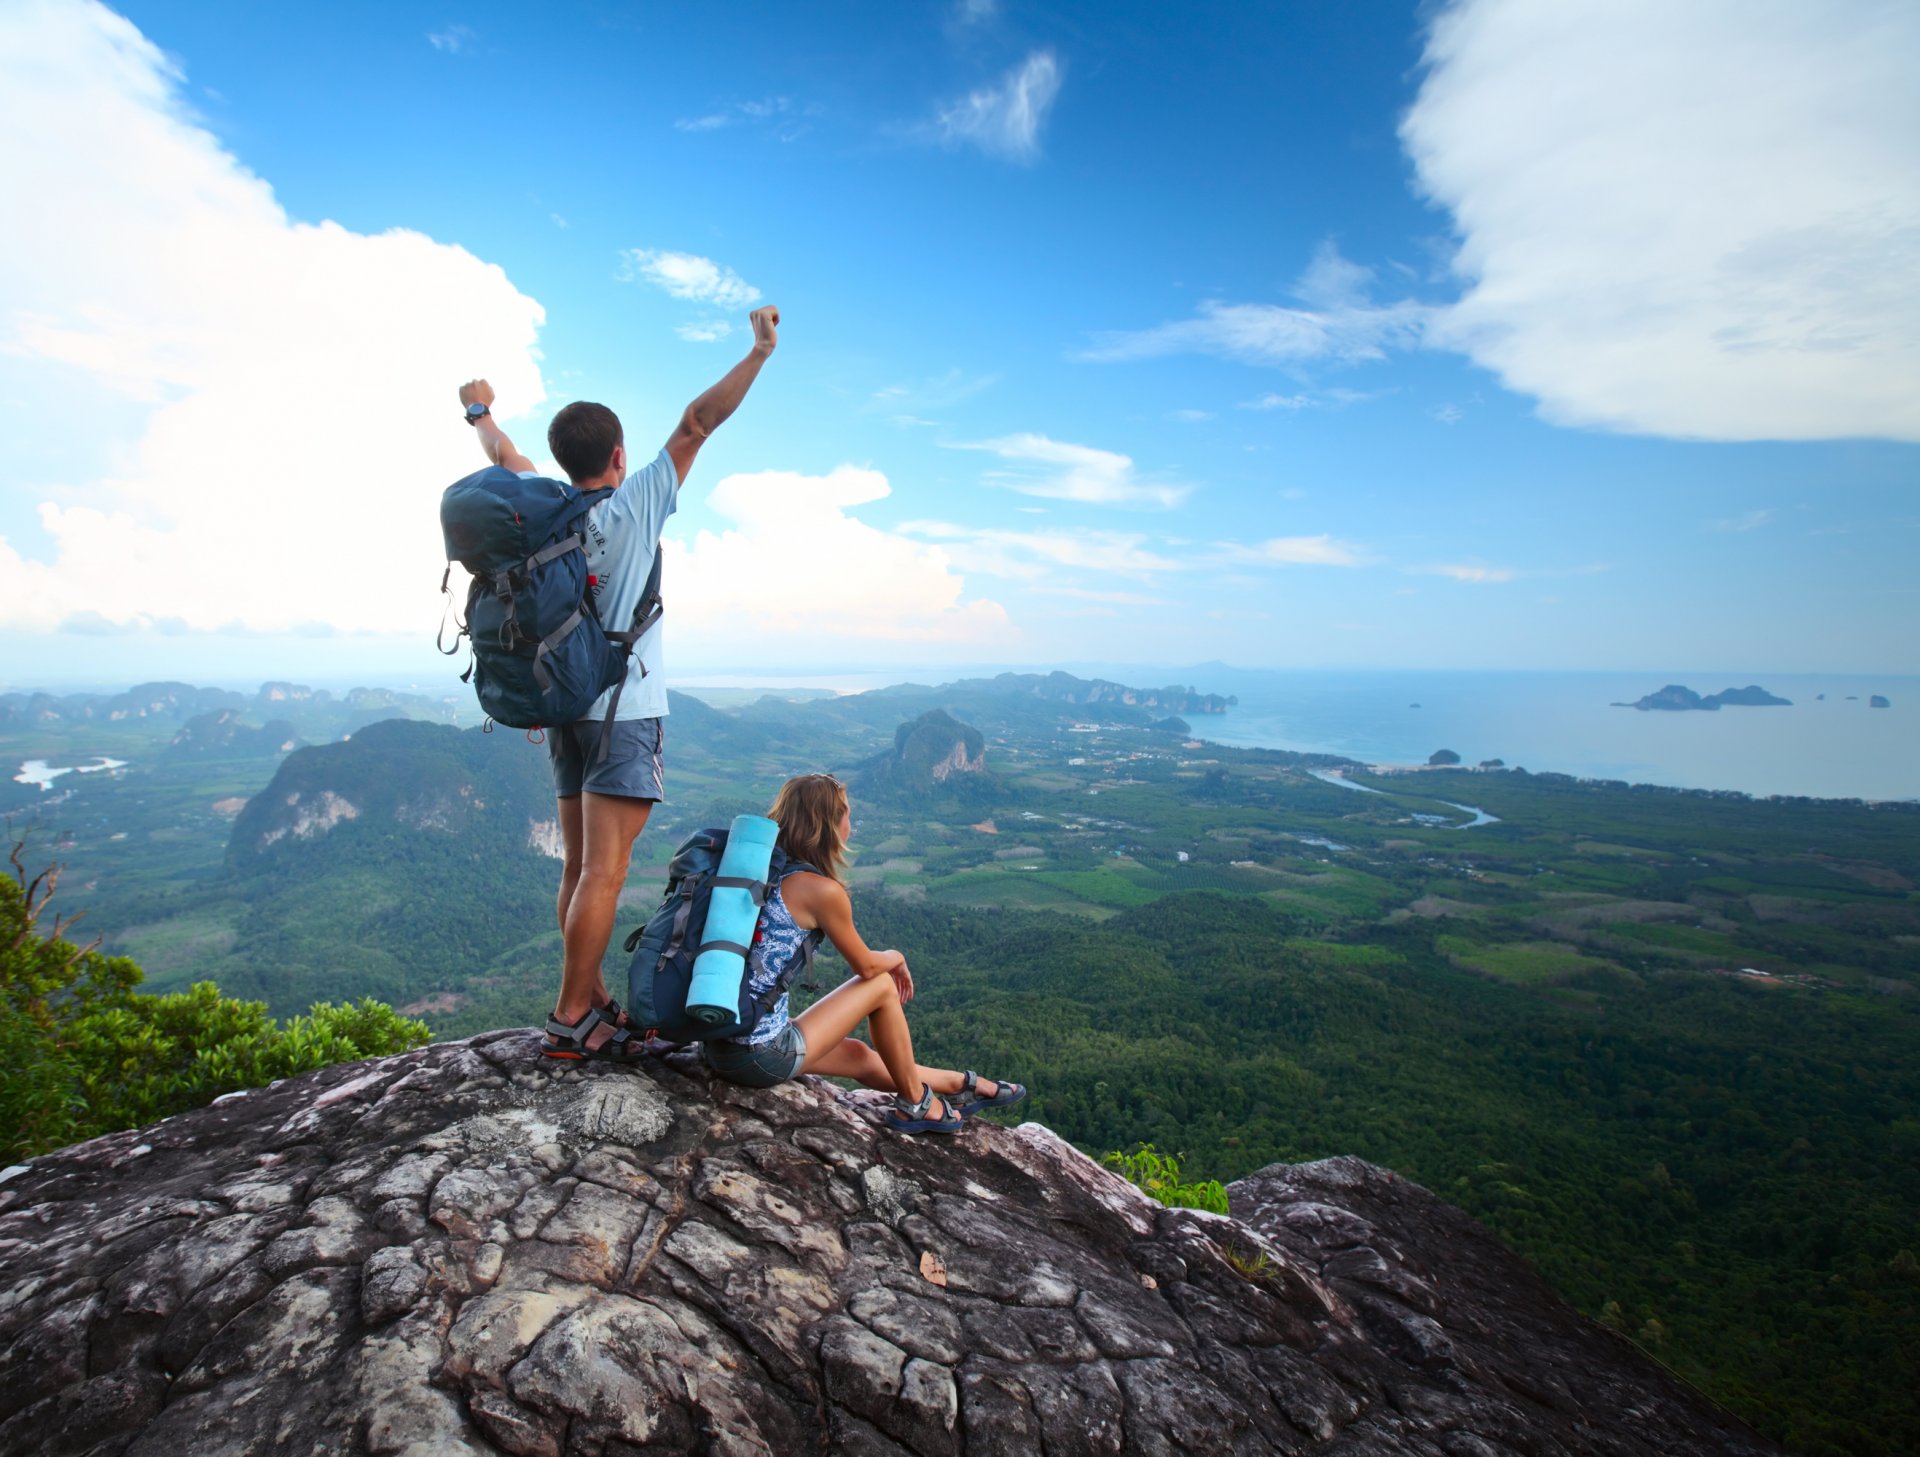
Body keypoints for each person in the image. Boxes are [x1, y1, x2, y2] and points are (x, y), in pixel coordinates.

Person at [455, 305, 782, 1063]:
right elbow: (698, 421)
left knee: (578, 867)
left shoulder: (546, 511)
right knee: (606, 870)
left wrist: (479, 411)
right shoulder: (634, 503)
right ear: (619, 453)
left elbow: (503, 454)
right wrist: (759, 352)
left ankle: (589, 989)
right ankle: (572, 1014)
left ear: (563, 458)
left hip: (564, 707)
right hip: (622, 713)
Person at [703, 773, 1027, 1133]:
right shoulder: (819, 890)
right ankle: (917, 1103)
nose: (851, 827)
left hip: (720, 1041)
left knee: (858, 1054)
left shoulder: (754, 871)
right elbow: (867, 966)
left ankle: (961, 1084)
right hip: (758, 1055)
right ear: (827, 825)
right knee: (882, 986)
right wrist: (897, 956)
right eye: (847, 817)